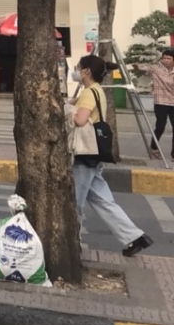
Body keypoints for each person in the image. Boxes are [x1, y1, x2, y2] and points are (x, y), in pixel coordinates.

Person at [66, 54, 153, 257]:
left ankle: (71, 243)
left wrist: (68, 109)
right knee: (103, 200)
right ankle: (134, 237)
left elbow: (80, 120)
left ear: (87, 71)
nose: (77, 71)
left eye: (79, 68)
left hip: (85, 154)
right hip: (95, 153)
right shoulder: (97, 91)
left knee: (74, 202)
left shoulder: (89, 92)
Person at [148, 47, 174, 156]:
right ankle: (154, 147)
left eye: (168, 58)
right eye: (164, 58)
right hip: (160, 102)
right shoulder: (156, 69)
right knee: (160, 126)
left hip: (173, 103)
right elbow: (139, 67)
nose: (165, 60)